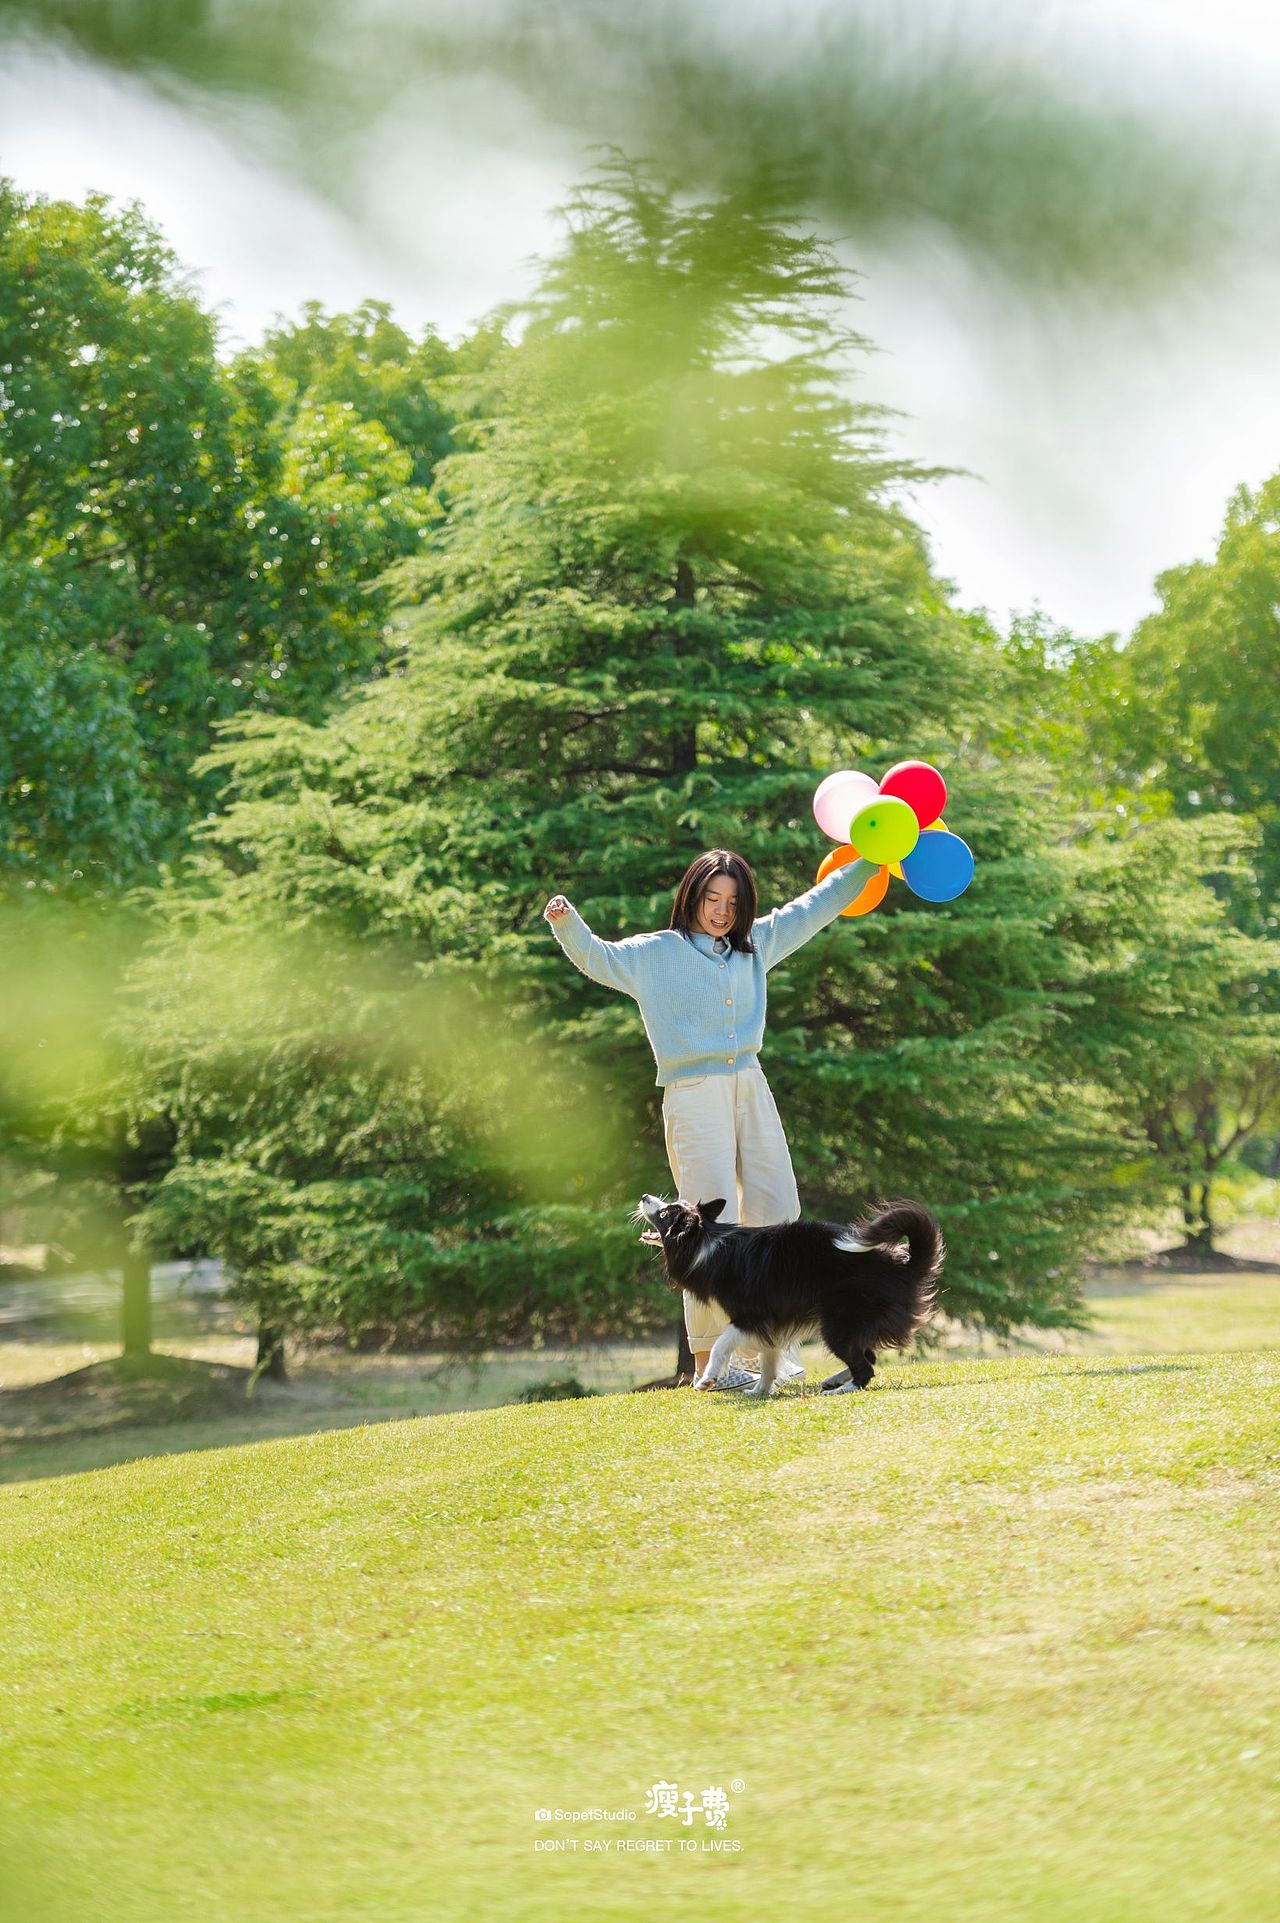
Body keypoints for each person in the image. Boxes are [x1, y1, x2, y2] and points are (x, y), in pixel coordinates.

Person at [543, 847, 876, 1388]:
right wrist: (566, 922)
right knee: (702, 1229)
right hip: (693, 1092)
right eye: (712, 898)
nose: (722, 911)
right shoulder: (657, 953)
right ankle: (708, 1365)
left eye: (733, 902)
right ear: (691, 897)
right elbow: (598, 958)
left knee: (778, 1209)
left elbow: (816, 905)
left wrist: (872, 860)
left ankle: (769, 1347)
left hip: (750, 1083)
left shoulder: (755, 945)